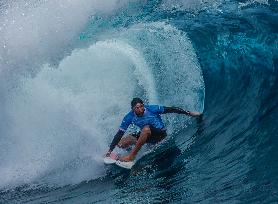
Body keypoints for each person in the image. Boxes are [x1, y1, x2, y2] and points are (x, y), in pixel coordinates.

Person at [105, 97, 202, 162]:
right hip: (147, 137)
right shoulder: (129, 117)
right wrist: (110, 150)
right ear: (132, 109)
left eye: (141, 106)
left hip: (160, 134)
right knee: (122, 142)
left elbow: (172, 109)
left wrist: (189, 113)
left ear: (143, 105)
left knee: (146, 128)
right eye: (136, 108)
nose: (139, 109)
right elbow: (119, 134)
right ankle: (117, 155)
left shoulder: (152, 109)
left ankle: (131, 156)